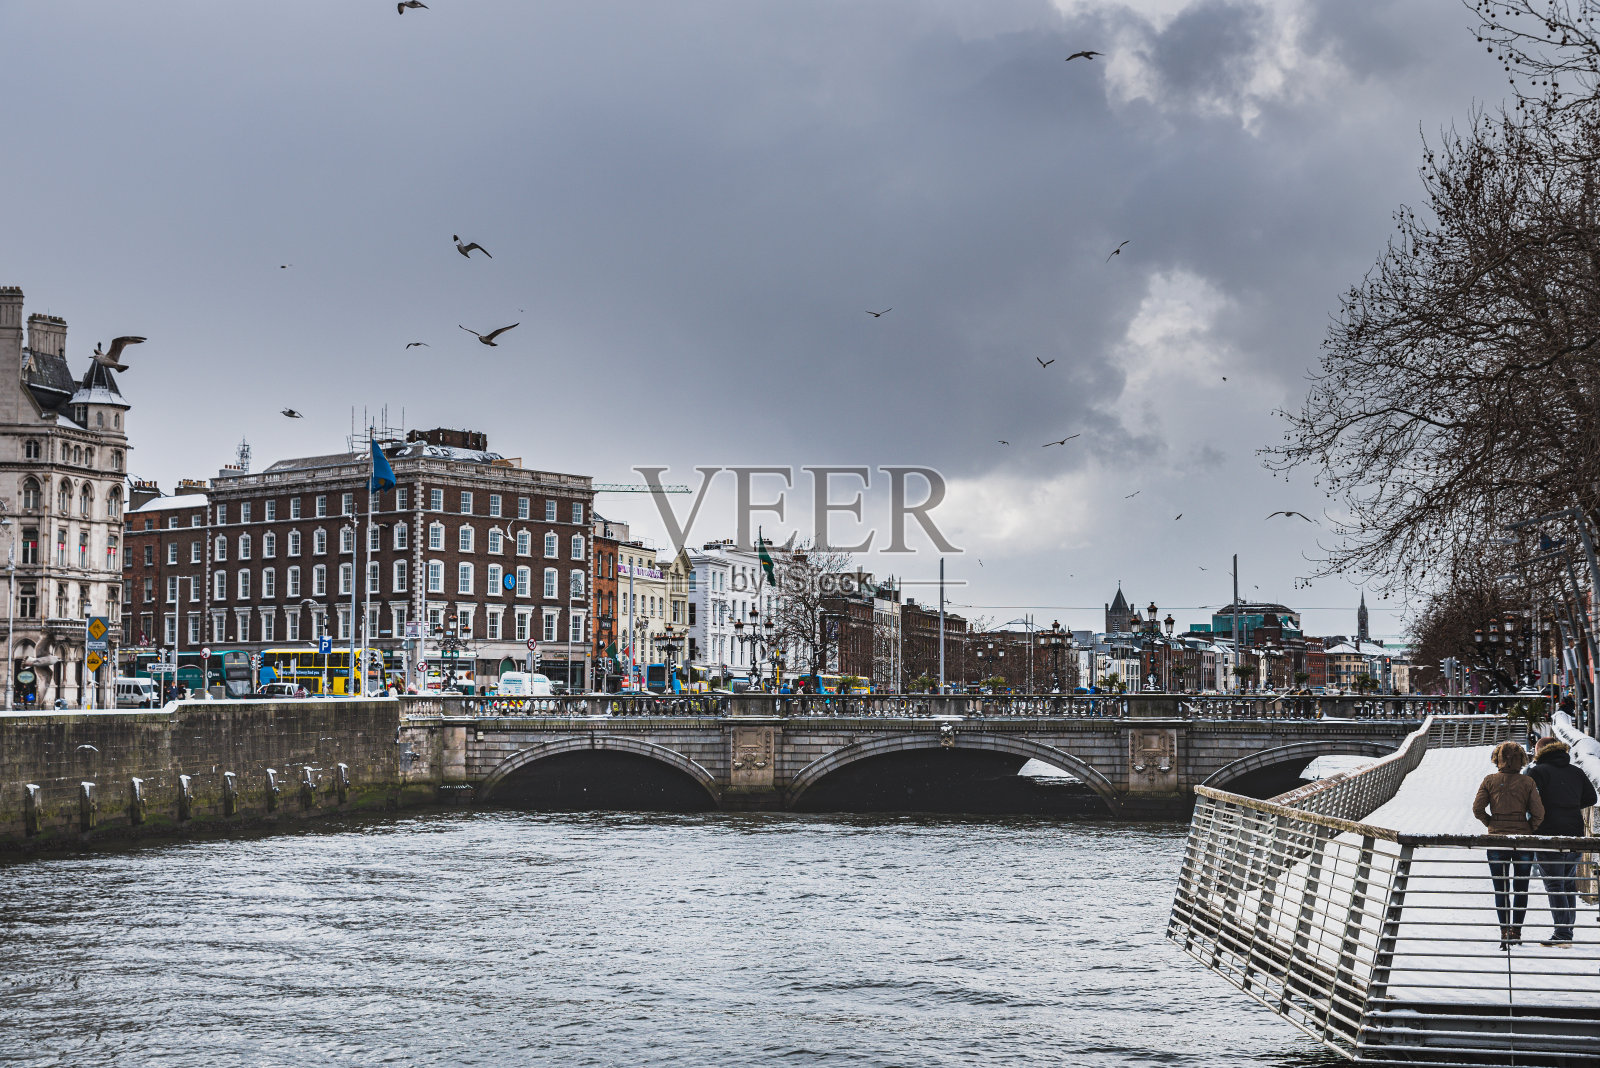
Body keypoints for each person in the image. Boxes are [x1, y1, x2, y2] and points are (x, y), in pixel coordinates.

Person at [1473, 740, 1545, 948]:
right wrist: (1528, 827)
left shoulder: (1489, 780)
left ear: (1498, 758)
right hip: (1522, 839)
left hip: (1497, 839)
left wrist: (1492, 823)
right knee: (1521, 887)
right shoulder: (1527, 783)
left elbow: (1477, 809)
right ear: (1521, 759)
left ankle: (1504, 930)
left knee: (1501, 887)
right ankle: (1516, 931)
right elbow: (1539, 812)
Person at [1526, 736, 1597, 947]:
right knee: (1567, 883)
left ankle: (1562, 935)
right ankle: (1567, 933)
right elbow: (1591, 798)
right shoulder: (1575, 771)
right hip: (1575, 833)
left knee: (1554, 883)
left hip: (1548, 833)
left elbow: (1530, 801)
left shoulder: (1537, 771)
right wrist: (1571, 803)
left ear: (1540, 751)